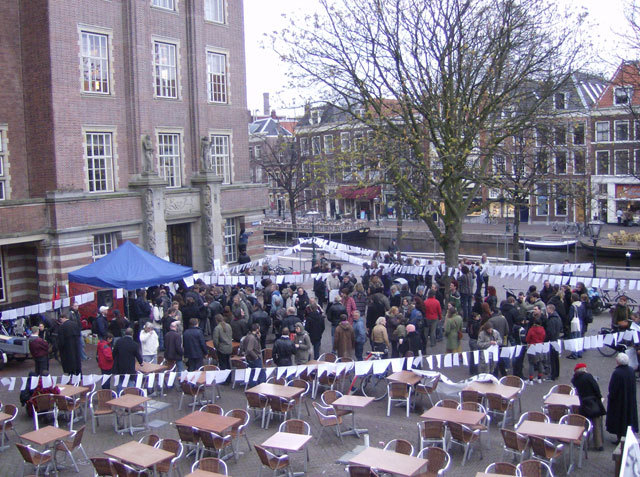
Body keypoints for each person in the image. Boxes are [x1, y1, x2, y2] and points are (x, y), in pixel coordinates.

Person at [572, 362, 605, 451]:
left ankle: (584, 444)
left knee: (585, 424)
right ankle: (598, 444)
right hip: (593, 402)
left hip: (583, 403)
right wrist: (599, 396)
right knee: (596, 424)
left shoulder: (575, 380)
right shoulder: (588, 377)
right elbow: (596, 388)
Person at [606, 353, 639, 444]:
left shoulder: (617, 373)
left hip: (619, 401)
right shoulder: (631, 371)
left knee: (619, 419)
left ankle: (619, 437)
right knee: (629, 418)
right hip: (630, 399)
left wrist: (611, 396)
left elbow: (613, 388)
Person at [545, 304, 563, 381]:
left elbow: (550, 332)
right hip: (556, 339)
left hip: (552, 341)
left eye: (547, 309)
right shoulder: (558, 317)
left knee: (552, 359)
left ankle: (552, 376)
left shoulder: (551, 320)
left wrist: (546, 339)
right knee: (556, 358)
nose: (546, 310)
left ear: (550, 310)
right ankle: (556, 373)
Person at [525, 318, 546, 384]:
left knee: (531, 363)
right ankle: (539, 378)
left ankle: (530, 380)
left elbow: (527, 339)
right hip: (540, 346)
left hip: (532, 347)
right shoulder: (542, 329)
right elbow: (544, 337)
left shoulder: (531, 329)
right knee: (540, 362)